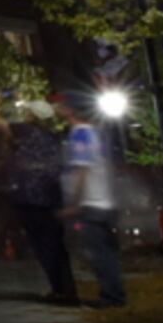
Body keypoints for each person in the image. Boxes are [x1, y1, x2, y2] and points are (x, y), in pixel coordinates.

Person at [4, 100, 80, 305]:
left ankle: (59, 289)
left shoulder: (26, 132)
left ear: (33, 116)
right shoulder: (52, 137)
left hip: (32, 197)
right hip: (52, 196)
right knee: (56, 244)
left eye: (27, 111)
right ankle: (67, 288)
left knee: (43, 245)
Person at [61, 107, 130, 307]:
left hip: (92, 202)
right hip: (105, 201)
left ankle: (112, 297)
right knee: (106, 252)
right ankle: (113, 293)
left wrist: (74, 202)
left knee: (100, 254)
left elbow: (82, 169)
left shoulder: (80, 134)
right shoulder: (97, 134)